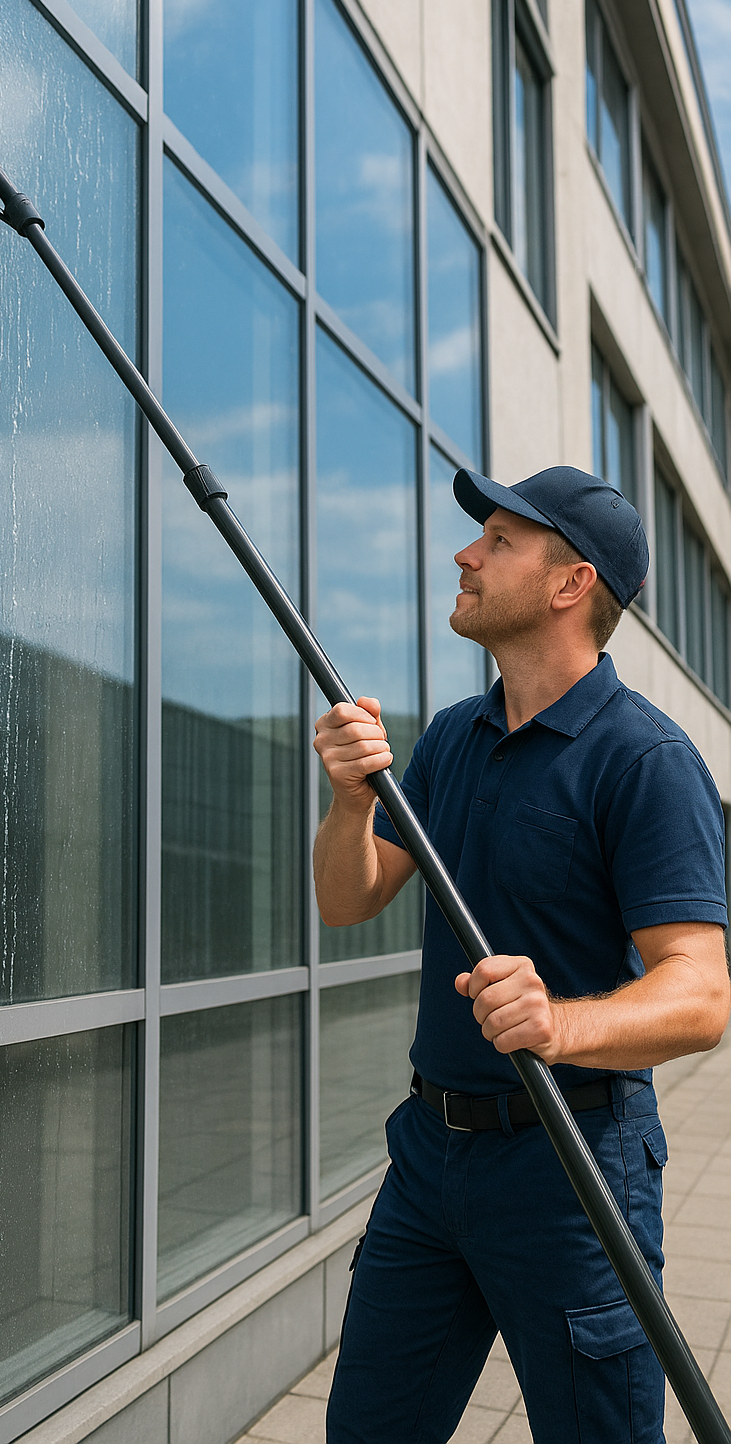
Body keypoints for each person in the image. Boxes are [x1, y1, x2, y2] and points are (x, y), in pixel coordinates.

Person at [315, 465, 730, 1444]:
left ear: (568, 585)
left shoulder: (644, 760)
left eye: (497, 540)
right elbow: (347, 899)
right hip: (428, 1156)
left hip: (573, 1170)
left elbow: (701, 996)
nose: (465, 553)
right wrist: (348, 803)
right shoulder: (452, 738)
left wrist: (558, 1024)